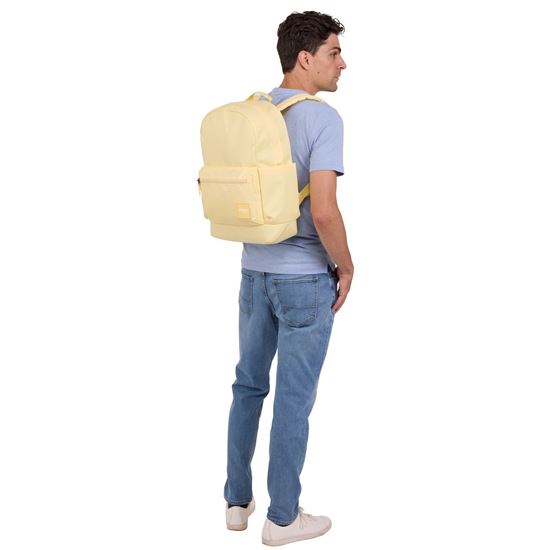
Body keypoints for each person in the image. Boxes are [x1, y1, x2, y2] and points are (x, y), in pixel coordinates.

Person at [223, 10, 354, 546]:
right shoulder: (322, 120)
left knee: (248, 385)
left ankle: (237, 502)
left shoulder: (253, 111)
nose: (342, 64)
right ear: (305, 58)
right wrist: (346, 265)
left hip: (253, 273)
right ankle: (282, 518)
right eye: (333, 53)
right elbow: (323, 211)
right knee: (293, 400)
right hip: (303, 281)